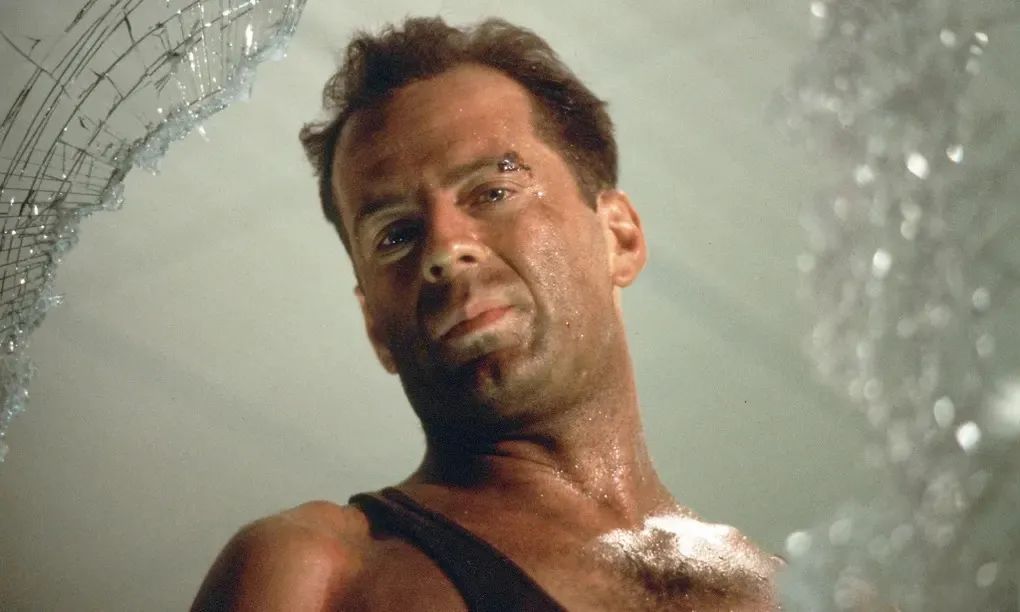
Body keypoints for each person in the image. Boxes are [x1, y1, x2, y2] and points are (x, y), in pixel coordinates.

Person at [191, 16, 781, 611]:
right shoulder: (318, 578)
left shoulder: (789, 592)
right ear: (375, 328)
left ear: (619, 238)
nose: (444, 249)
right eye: (396, 235)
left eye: (493, 192)